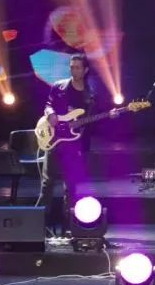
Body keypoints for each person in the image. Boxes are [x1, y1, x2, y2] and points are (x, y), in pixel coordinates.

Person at [40, 53, 116, 234]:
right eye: (72, 67)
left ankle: (69, 227)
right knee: (47, 183)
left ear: (85, 70)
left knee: (71, 186)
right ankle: (38, 223)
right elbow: (48, 104)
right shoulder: (59, 86)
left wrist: (109, 116)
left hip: (76, 145)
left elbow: (95, 120)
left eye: (77, 67)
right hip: (54, 140)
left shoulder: (91, 94)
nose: (73, 70)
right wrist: (51, 114)